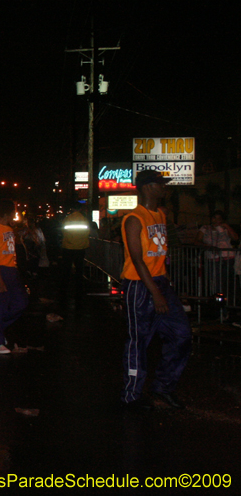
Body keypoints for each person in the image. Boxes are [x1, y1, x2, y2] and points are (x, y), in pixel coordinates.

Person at [120, 170, 191, 410]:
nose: (165, 189)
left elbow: (160, 254)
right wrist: (155, 292)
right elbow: (138, 259)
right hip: (140, 286)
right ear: (148, 187)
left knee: (181, 335)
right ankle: (132, 395)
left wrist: (165, 284)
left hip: (159, 283)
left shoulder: (161, 214)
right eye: (161, 184)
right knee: (138, 341)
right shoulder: (133, 218)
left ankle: (163, 387)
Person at [0, 199, 28, 354]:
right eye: (13, 212)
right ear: (7, 213)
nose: (14, 215)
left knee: (21, 302)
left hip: (11, 270)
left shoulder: (9, 229)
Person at [59, 202, 90, 307]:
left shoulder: (67, 219)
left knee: (66, 270)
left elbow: (63, 231)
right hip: (80, 248)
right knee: (79, 269)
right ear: (80, 209)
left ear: (72, 209)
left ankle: (64, 289)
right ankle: (79, 289)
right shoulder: (84, 219)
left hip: (68, 247)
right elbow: (87, 232)